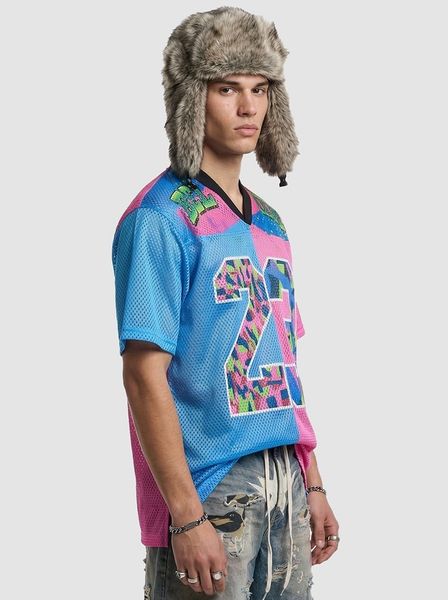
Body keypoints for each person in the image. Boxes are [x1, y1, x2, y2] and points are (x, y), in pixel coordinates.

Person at [111, 6, 340, 599]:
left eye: (260, 89)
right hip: (211, 486)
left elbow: (284, 364)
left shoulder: (270, 222)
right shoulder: (160, 219)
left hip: (285, 476)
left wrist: (312, 480)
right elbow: (143, 374)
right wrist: (186, 515)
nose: (248, 108)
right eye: (227, 88)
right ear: (194, 98)